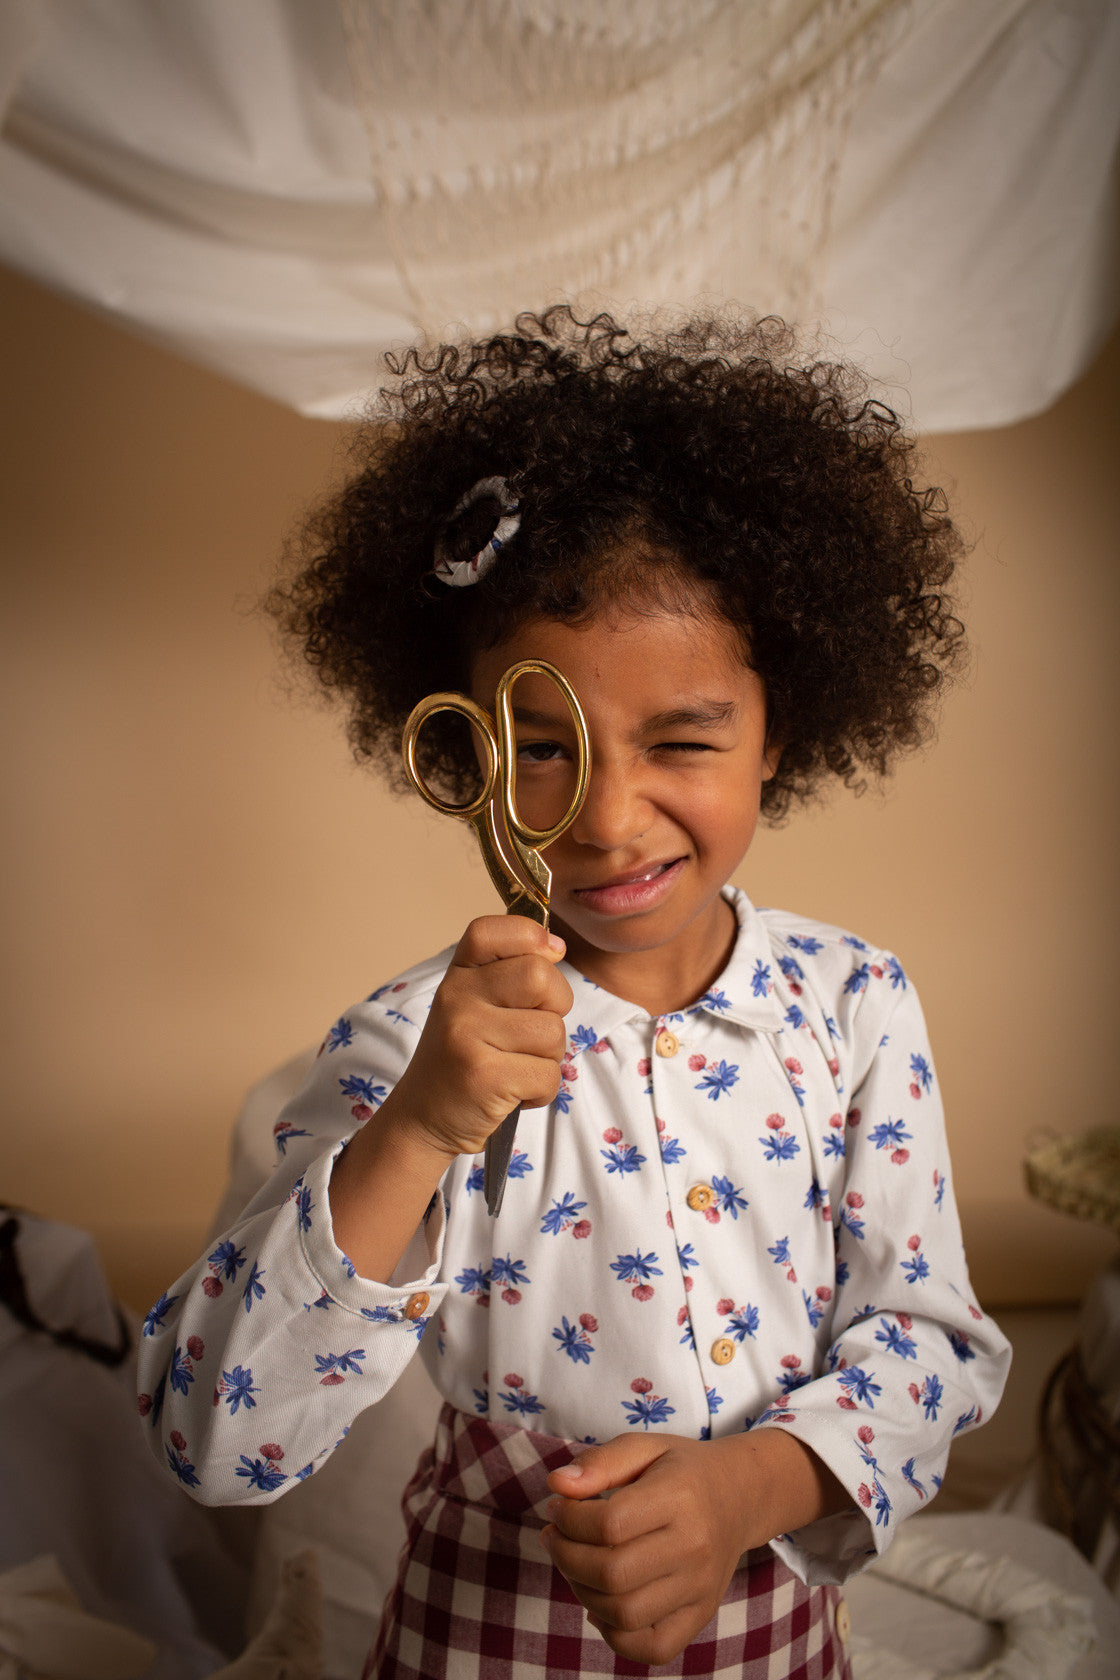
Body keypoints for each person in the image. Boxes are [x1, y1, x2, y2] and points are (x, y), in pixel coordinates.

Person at [137, 307, 1011, 1678]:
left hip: (775, 1638)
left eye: (682, 739)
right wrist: (420, 1124)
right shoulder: (410, 1047)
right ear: (456, 744)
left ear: (784, 729)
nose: (605, 818)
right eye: (538, 747)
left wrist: (748, 1492)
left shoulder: (855, 1007)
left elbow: (931, 1347)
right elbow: (209, 1438)